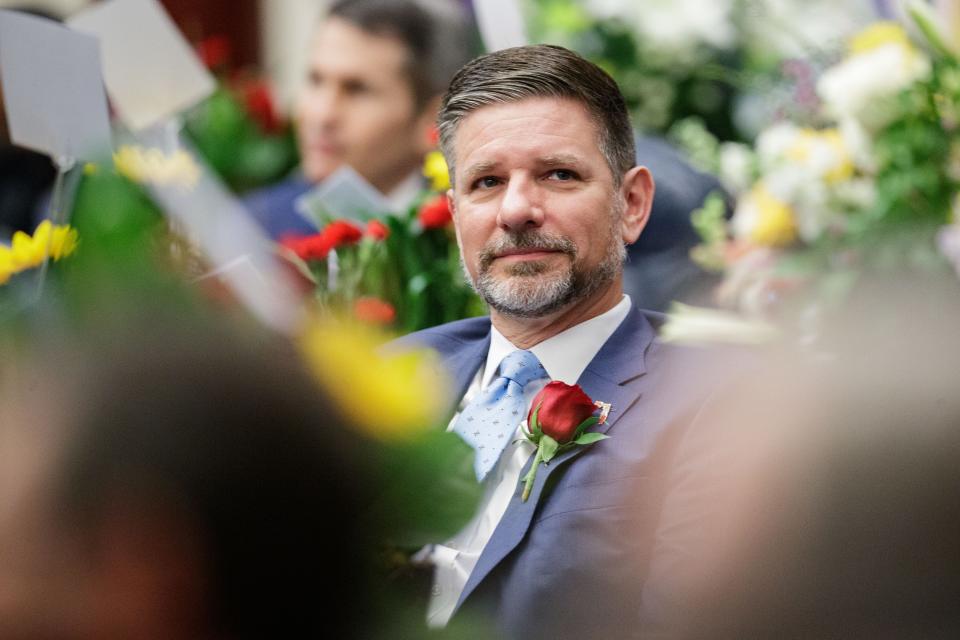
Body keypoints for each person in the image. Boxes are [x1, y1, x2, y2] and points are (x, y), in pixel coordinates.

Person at [394, 44, 747, 638]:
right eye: (487, 182)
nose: (516, 210)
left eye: (559, 175)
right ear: (456, 214)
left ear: (631, 204)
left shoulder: (720, 402)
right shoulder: (398, 373)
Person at [244, 0, 475, 239]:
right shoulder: (253, 230)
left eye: (357, 90)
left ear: (433, 120)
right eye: (315, 80)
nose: (322, 115)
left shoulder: (470, 239)